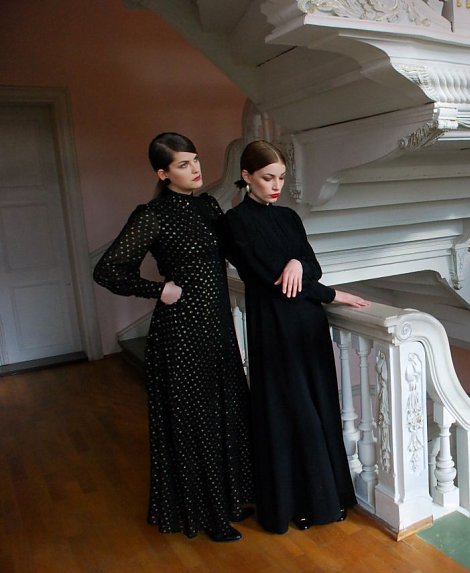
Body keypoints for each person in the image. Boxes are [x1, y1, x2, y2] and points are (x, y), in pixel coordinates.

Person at [93, 133, 254, 542]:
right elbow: (107, 270)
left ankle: (232, 500)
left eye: (196, 160)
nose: (195, 169)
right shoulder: (153, 214)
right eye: (184, 165)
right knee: (196, 423)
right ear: (163, 173)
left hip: (218, 329)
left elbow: (238, 253)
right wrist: (157, 290)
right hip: (180, 334)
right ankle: (208, 516)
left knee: (226, 413)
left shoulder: (209, 205)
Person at [222, 140, 369, 534]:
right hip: (274, 328)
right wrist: (334, 294)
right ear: (246, 176)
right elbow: (273, 281)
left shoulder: (289, 217)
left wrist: (295, 261)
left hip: (308, 326)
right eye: (267, 177)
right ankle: (299, 505)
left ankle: (331, 499)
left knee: (320, 407)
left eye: (282, 178)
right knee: (292, 413)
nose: (276, 185)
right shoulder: (233, 223)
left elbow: (312, 267)